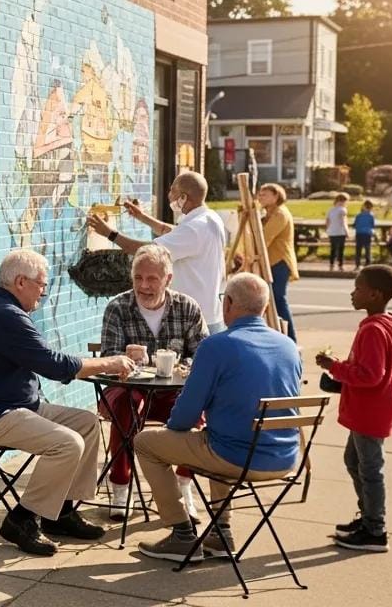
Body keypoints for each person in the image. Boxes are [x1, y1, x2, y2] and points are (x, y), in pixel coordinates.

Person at [0, 249, 137, 556]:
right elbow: (53, 364)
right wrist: (110, 363)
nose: (44, 291)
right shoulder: (4, 316)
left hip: (14, 406)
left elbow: (47, 361)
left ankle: (62, 511)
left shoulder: (1, 310)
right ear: (20, 282)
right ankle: (22, 519)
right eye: (42, 284)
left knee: (87, 424)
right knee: (68, 443)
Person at [132, 274, 303, 562]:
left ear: (229, 304)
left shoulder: (217, 346)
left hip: (235, 456)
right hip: (284, 457)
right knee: (217, 435)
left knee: (146, 442)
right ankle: (221, 533)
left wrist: (172, 431)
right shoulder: (288, 346)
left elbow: (186, 413)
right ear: (262, 307)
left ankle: (182, 535)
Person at [98, 245, 209, 520]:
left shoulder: (187, 307)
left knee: (197, 412)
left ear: (168, 279)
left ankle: (183, 487)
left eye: (152, 279)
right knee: (125, 405)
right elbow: (107, 359)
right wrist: (123, 356)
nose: (143, 286)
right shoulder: (118, 307)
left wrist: (186, 366)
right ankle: (121, 487)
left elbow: (205, 355)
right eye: (138, 278)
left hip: (172, 391)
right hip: (127, 387)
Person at [315, 265, 392, 554]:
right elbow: (369, 370)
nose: (352, 293)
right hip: (369, 409)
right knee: (354, 461)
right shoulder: (384, 323)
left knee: (369, 469)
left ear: (374, 294)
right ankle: (367, 517)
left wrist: (335, 368)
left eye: (357, 288)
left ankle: (375, 529)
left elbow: (370, 375)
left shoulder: (374, 330)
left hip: (369, 412)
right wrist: (342, 374)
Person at [86, 171, 229, 332]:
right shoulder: (209, 219)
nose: (169, 195)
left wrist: (109, 234)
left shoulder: (194, 229)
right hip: (209, 315)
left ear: (183, 197)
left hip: (195, 320)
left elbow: (147, 251)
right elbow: (171, 231)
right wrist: (142, 217)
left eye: (172, 191)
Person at [257, 183, 299, 341]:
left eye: (265, 194)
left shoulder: (280, 214)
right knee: (272, 301)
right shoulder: (267, 214)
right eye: (260, 194)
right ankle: (280, 336)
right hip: (269, 262)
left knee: (278, 300)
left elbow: (264, 238)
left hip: (279, 262)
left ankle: (290, 338)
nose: (261, 197)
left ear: (276, 197)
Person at [326, 193, 349, 271]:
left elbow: (327, 221)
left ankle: (331, 265)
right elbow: (343, 222)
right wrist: (347, 231)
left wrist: (328, 230)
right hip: (340, 232)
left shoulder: (330, 210)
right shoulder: (343, 210)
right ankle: (340, 265)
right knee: (341, 249)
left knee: (333, 249)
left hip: (332, 232)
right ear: (342, 201)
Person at [354, 200, 377, 268]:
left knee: (358, 249)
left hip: (359, 233)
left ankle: (357, 264)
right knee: (367, 249)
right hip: (367, 233)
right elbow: (372, 225)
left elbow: (355, 225)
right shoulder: (371, 216)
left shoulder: (358, 215)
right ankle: (368, 263)